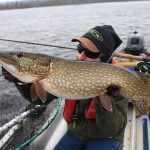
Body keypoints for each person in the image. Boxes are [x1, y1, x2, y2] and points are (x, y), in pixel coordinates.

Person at [2, 25, 128, 150]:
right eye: (80, 49)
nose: (81, 56)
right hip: (76, 134)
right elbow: (40, 99)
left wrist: (105, 99)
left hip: (105, 137)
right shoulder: (63, 72)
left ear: (105, 59)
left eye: (90, 54)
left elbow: (112, 129)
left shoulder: (118, 79)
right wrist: (20, 82)